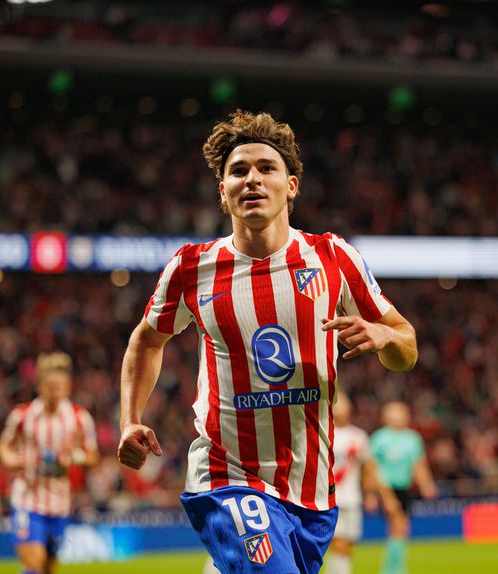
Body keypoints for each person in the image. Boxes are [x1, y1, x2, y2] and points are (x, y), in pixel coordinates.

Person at [117, 110, 418, 574]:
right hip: (227, 475)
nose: (252, 179)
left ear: (291, 186)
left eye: (266, 168)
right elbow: (146, 342)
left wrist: (384, 335)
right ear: (223, 191)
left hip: (311, 491)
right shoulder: (191, 268)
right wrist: (129, 420)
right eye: (238, 171)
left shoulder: (333, 257)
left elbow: (407, 349)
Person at [0, 352, 100, 574]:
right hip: (27, 498)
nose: (55, 392)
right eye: (50, 386)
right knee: (33, 563)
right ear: (39, 386)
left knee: (48, 568)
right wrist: (11, 460)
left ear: (68, 387)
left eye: (59, 387)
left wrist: (74, 457)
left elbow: (93, 456)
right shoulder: (23, 415)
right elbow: (4, 445)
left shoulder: (79, 418)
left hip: (60, 502)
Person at [328, 394, 405, 574]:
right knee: (338, 543)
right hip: (331, 498)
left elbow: (369, 469)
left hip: (352, 497)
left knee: (348, 544)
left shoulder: (358, 436)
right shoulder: (324, 433)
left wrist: (377, 495)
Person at [370, 402, 437, 574]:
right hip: (386, 488)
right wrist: (372, 494)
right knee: (398, 525)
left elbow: (418, 465)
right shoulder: (380, 438)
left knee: (400, 528)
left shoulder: (412, 438)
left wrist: (426, 484)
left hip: (404, 488)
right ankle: (393, 569)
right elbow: (372, 468)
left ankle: (393, 568)